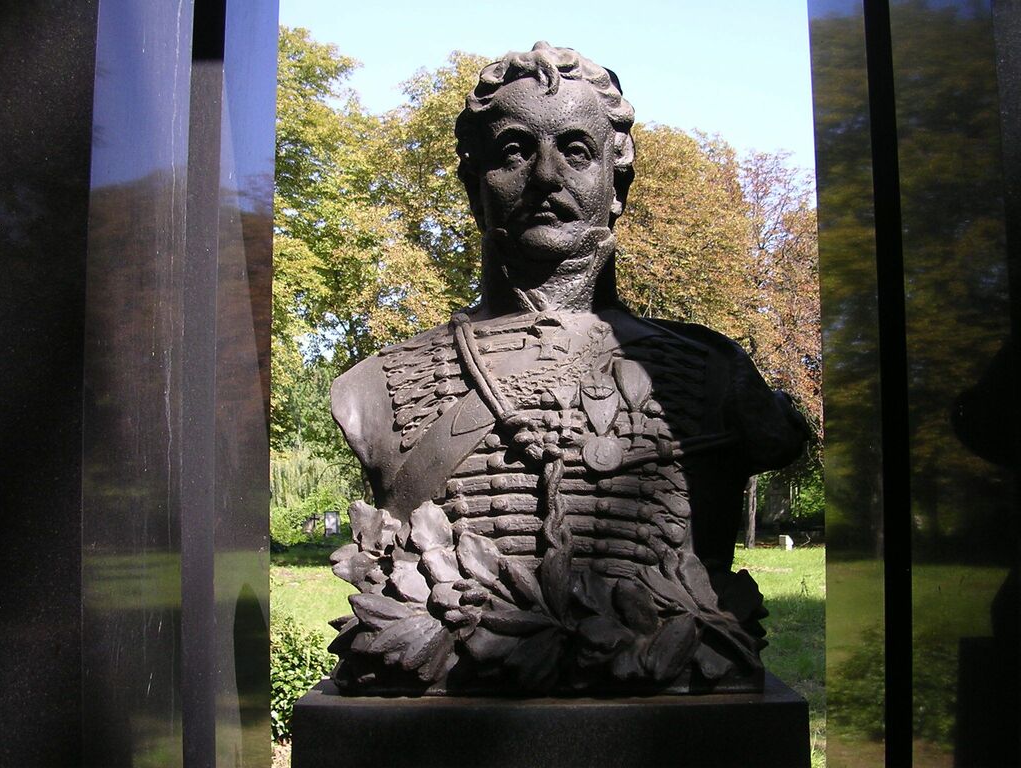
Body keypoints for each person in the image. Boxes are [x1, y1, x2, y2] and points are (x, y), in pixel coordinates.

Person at [328, 43, 808, 695]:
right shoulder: (376, 386)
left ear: (617, 182)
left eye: (576, 151)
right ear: (474, 185)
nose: (546, 177)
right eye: (513, 152)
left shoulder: (715, 374)